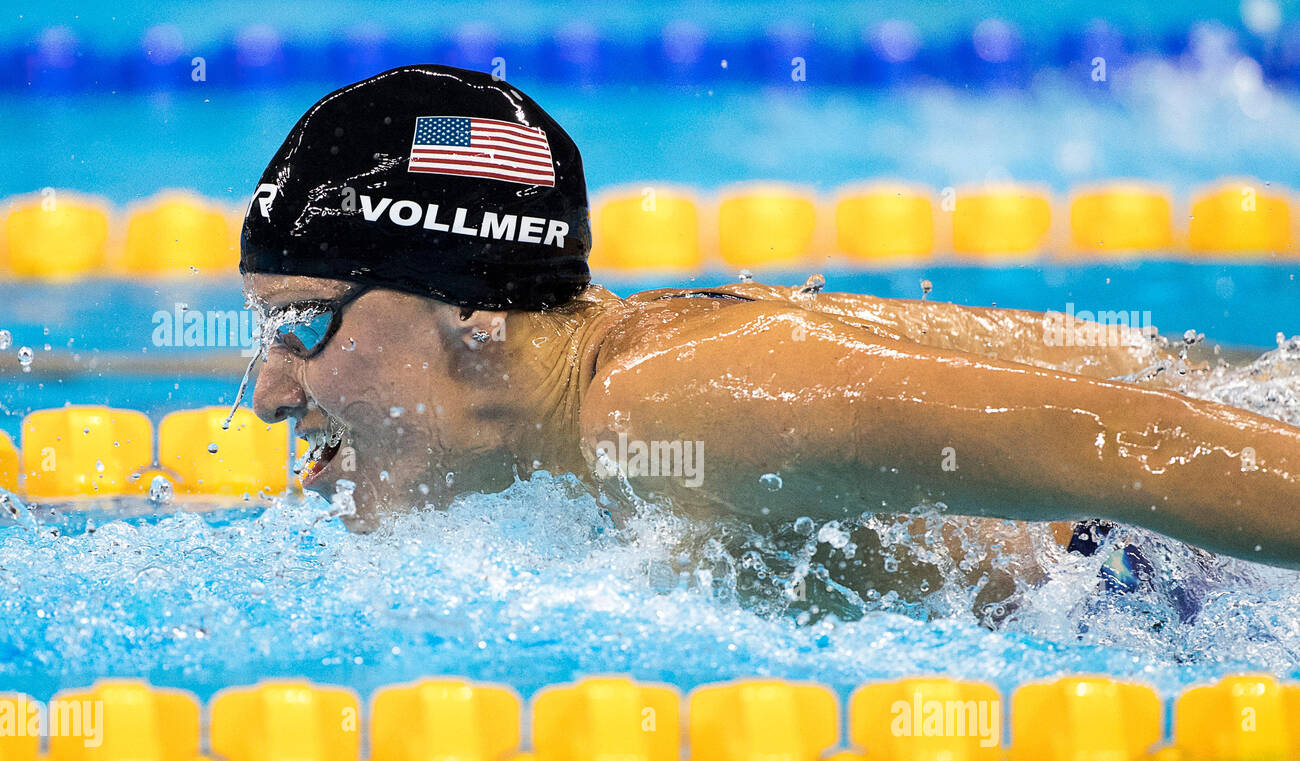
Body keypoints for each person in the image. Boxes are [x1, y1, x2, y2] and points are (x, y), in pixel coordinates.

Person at [244, 65, 1300, 574]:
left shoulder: (681, 400)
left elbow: (1145, 437)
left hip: (1183, 592)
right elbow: (1139, 365)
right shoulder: (610, 396)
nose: (266, 395)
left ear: (468, 310)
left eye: (301, 324)